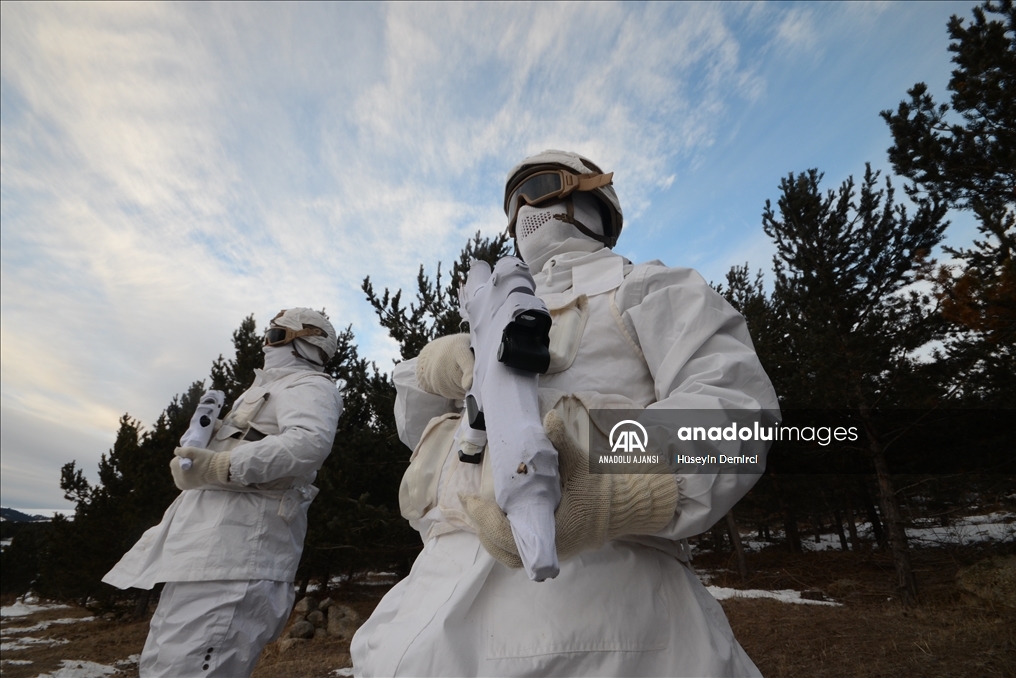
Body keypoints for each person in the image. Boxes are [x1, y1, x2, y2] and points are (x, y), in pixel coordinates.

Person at [351, 150, 779, 677]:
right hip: (428, 597)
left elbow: (735, 405)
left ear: (595, 197)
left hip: (598, 604)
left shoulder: (643, 287)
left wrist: (621, 490)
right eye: (515, 200)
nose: (528, 208)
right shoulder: (488, 317)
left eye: (544, 185)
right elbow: (421, 437)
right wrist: (430, 372)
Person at [103, 308, 344, 678]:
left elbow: (309, 442)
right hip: (204, 553)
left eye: (276, 336)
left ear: (309, 343)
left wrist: (219, 465)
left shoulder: (308, 386)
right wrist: (208, 444)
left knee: (194, 669)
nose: (266, 345)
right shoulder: (262, 391)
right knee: (164, 664)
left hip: (239, 557)